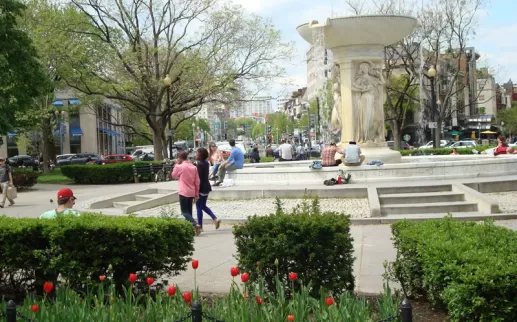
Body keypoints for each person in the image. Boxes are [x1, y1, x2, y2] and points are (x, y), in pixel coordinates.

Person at [171, 151, 202, 236]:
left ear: (180, 158)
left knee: (184, 212)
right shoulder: (193, 167)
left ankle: (195, 224)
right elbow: (197, 182)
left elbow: (173, 175)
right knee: (189, 212)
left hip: (183, 192)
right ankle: (192, 230)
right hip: (191, 192)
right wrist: (196, 194)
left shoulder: (180, 167)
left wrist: (176, 165)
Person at [195, 148, 221, 231]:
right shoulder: (207, 163)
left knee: (199, 207)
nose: (196, 155)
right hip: (206, 186)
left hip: (200, 187)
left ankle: (200, 226)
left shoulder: (197, 164)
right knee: (203, 206)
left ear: (200, 155)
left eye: (197, 153)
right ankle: (215, 219)